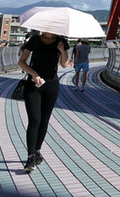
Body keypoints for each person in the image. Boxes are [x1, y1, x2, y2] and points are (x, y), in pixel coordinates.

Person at [17, 31, 69, 172]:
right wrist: (33, 73)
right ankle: (31, 156)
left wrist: (62, 50)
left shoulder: (61, 41)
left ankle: (37, 150)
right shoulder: (34, 40)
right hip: (33, 85)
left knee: (44, 120)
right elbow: (21, 62)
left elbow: (65, 64)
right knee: (35, 120)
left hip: (51, 86)